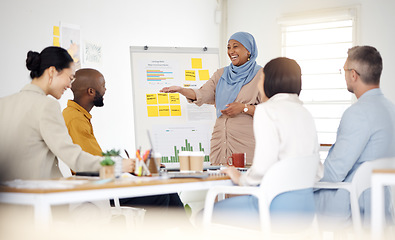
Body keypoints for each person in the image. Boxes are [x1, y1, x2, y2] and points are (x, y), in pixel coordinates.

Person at [206, 57, 323, 230]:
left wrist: (239, 178)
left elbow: (261, 169)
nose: (259, 84)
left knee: (205, 213)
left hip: (271, 207)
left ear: (270, 81)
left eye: (261, 78)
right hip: (305, 207)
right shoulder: (304, 113)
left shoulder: (266, 110)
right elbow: (318, 171)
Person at [0, 46, 133, 182]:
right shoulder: (47, 105)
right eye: (70, 78)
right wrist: (118, 165)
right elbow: (74, 158)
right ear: (52, 71)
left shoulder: (3, 103)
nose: (70, 86)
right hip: (42, 196)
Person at [62, 68, 185, 211]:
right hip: (97, 189)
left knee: (166, 189)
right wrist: (131, 168)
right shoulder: (75, 119)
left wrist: (134, 167)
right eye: (103, 86)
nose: (105, 89)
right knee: (160, 195)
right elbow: (91, 164)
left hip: (102, 183)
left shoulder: (77, 115)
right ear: (91, 91)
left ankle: (188, 232)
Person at [314, 46, 395, 229]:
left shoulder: (357, 113)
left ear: (353, 75)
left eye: (343, 70)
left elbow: (334, 173)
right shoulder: (391, 109)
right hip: (383, 207)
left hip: (353, 208)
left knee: (292, 202)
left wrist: (304, 177)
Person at [160, 32, 263, 165]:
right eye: (228, 47)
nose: (231, 51)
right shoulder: (221, 74)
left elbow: (269, 111)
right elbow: (203, 93)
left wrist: (243, 108)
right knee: (218, 180)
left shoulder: (261, 75)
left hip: (246, 145)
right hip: (220, 143)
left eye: (235, 46)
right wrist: (181, 90)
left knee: (244, 182)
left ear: (249, 50)